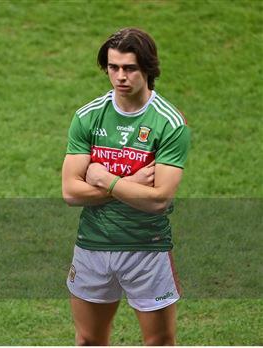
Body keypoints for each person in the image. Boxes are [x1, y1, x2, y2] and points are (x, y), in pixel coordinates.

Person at [62, 28, 190, 346]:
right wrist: (132, 184)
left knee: (159, 342)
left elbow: (159, 200)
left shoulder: (170, 123)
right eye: (113, 67)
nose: (120, 76)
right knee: (89, 340)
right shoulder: (88, 117)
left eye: (129, 68)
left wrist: (106, 179)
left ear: (147, 68)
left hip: (147, 248)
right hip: (93, 245)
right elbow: (70, 192)